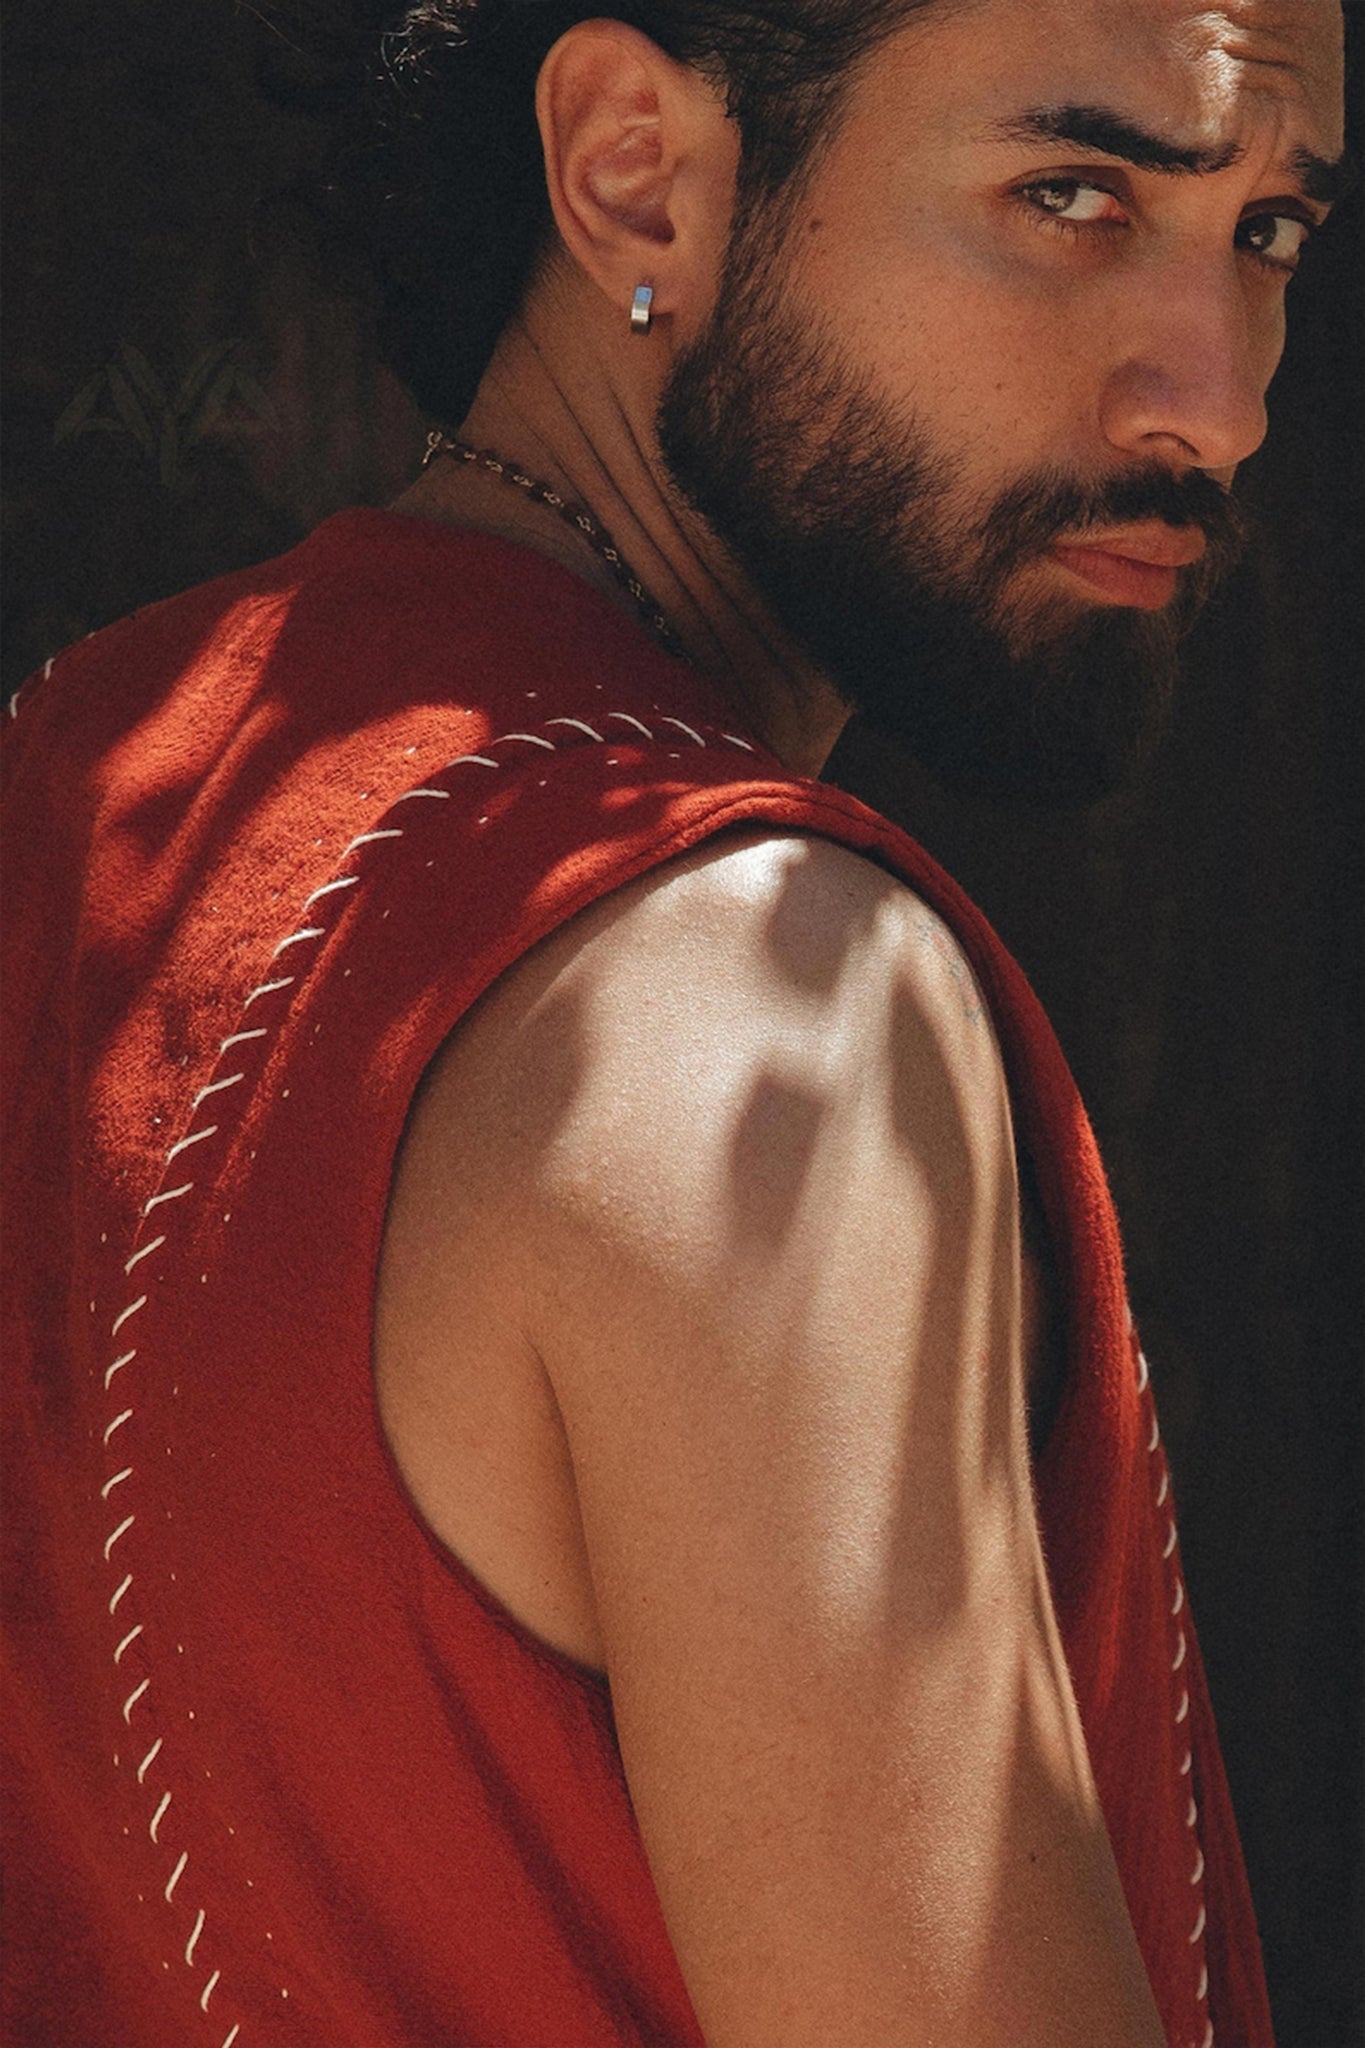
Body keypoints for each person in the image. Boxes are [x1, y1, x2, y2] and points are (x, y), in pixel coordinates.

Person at [1, 0, 1344, 2042]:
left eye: (1264, 232)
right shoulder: (743, 998)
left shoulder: (78, 760)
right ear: (636, 163)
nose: (1215, 400)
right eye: (1070, 196)